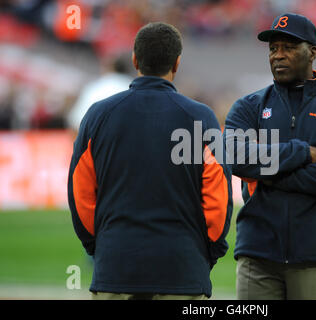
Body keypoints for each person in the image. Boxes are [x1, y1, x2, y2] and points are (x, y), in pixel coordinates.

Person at [68, 22, 233, 300]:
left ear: (135, 60)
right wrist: (208, 251)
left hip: (116, 266)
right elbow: (218, 195)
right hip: (182, 267)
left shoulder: (98, 115)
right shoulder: (200, 117)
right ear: (177, 63)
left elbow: (80, 192)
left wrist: (97, 245)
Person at [224, 13, 316, 300]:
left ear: (312, 52)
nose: (278, 56)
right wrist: (302, 152)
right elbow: (234, 156)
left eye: (288, 47)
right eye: (273, 48)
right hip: (257, 254)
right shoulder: (248, 107)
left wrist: (269, 175)